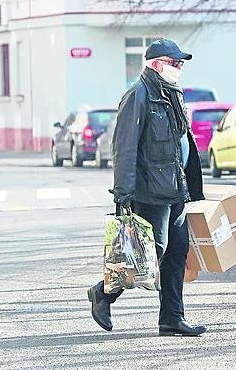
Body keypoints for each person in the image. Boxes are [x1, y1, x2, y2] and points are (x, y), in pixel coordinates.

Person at [87, 38, 206, 337]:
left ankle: (172, 319)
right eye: (174, 62)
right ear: (156, 64)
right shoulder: (138, 96)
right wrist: (123, 194)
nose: (179, 67)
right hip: (149, 189)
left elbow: (181, 143)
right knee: (148, 253)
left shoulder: (171, 94)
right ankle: (103, 293)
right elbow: (124, 147)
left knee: (177, 253)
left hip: (175, 189)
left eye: (181, 63)